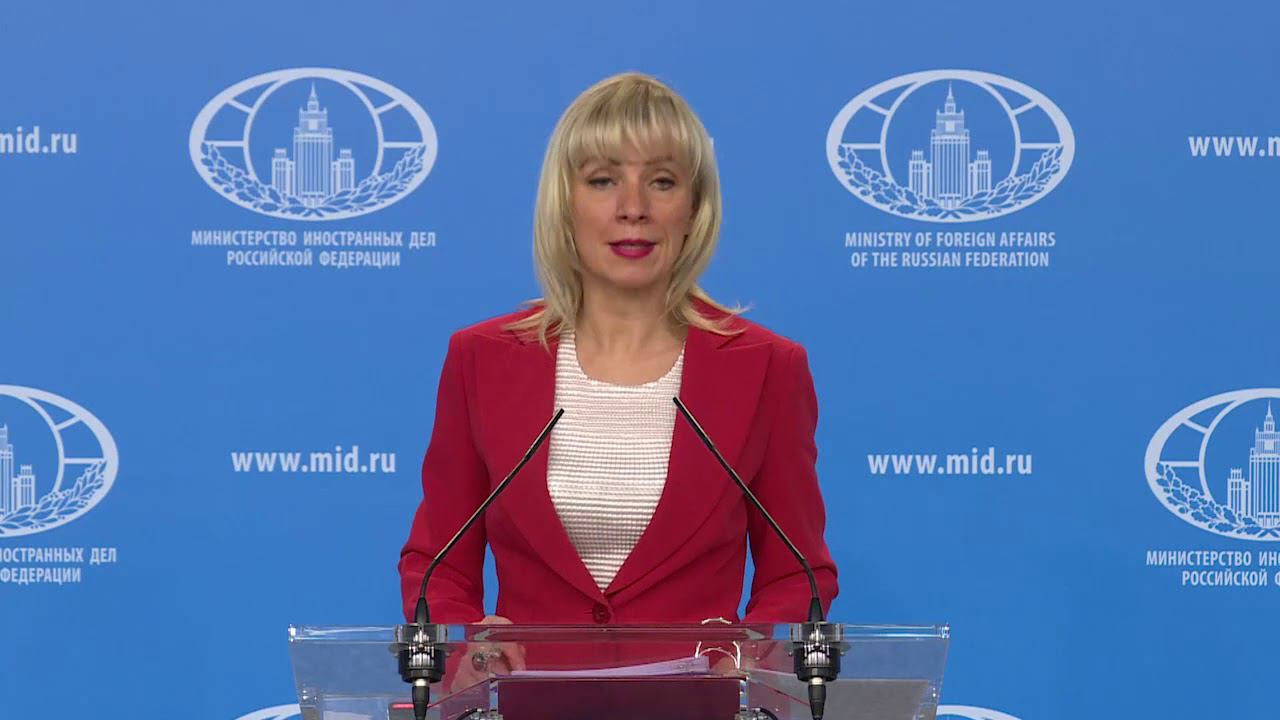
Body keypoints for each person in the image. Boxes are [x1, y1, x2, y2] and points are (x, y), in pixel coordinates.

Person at [398, 72, 838, 680]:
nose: (633, 207)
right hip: (526, 703)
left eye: (662, 181)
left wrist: (747, 658)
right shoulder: (482, 358)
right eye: (603, 180)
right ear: (566, 204)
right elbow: (438, 562)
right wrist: (464, 649)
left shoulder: (767, 367)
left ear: (694, 209)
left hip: (700, 708)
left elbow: (797, 573)